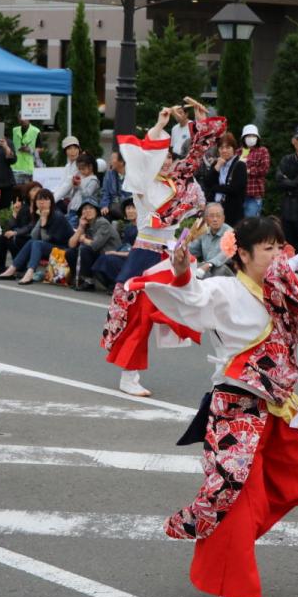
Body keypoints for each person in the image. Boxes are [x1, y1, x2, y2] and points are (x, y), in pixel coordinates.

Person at [139, 216, 298, 597]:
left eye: (281, 248)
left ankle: (221, 548)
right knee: (238, 496)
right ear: (242, 254)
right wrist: (181, 269)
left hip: (278, 410)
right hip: (235, 408)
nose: (277, 256)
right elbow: (191, 299)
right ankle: (231, 583)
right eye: (267, 249)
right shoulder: (224, 290)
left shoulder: (284, 293)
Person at [101, 100, 220, 397]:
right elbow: (142, 154)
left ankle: (225, 367)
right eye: (160, 156)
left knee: (199, 307)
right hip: (145, 256)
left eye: (168, 155)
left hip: (170, 256)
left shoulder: (176, 184)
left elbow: (193, 157)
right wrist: (158, 126)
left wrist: (200, 125)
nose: (165, 160)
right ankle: (129, 375)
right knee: (139, 317)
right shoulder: (141, 184)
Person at [6, 188, 73, 285]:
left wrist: (43, 221)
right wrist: (41, 219)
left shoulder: (57, 216)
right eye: (39, 200)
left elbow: (46, 239)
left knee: (37, 244)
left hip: (64, 250)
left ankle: (30, 272)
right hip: (52, 247)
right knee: (31, 242)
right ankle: (12, 269)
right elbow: (34, 236)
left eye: (45, 199)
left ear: (51, 202)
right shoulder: (43, 214)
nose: (42, 202)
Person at [65, 197, 122, 291]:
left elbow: (95, 245)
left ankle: (89, 281)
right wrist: (80, 228)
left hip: (109, 256)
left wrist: (83, 239)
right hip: (96, 254)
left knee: (85, 249)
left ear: (96, 211)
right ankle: (79, 278)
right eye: (85, 209)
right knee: (70, 252)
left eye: (91, 208)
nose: (88, 211)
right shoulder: (85, 224)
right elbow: (71, 244)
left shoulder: (102, 223)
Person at [201, 131, 247, 225]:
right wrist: (218, 166)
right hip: (214, 210)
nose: (224, 150)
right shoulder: (217, 163)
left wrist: (215, 187)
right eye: (221, 148)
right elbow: (206, 183)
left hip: (232, 212)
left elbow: (235, 189)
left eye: (228, 147)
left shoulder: (240, 165)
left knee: (229, 238)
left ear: (234, 148)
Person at [189, 203, 234, 278]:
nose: (215, 219)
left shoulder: (230, 232)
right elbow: (192, 250)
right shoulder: (204, 231)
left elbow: (225, 255)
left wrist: (208, 264)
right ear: (206, 219)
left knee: (220, 269)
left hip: (224, 271)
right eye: (211, 216)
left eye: (218, 216)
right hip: (206, 269)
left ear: (223, 218)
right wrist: (182, 249)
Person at [240, 124, 270, 219]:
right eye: (248, 136)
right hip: (239, 194)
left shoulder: (262, 151)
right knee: (239, 223)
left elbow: (264, 169)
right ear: (244, 138)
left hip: (254, 194)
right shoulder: (239, 152)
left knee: (251, 222)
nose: (251, 138)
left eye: (253, 136)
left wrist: (248, 171)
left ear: (257, 138)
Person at [63, 152, 100, 226]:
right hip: (72, 209)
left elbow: (87, 195)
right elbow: (73, 195)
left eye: (83, 169)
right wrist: (74, 186)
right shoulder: (81, 178)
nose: (81, 171)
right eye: (79, 169)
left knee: (72, 229)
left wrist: (79, 185)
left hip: (80, 211)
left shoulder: (93, 180)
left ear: (90, 166)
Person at [99, 150, 131, 219]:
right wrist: (104, 205)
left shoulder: (132, 175)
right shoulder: (109, 174)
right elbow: (105, 192)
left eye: (113, 159)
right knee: (104, 214)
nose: (110, 162)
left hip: (129, 206)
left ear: (121, 162)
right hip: (114, 206)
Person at [52, 135, 81, 208]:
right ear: (65, 151)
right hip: (68, 200)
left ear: (79, 150)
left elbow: (67, 185)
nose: (73, 151)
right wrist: (51, 195)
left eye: (75, 148)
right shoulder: (67, 166)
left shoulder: (79, 165)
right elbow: (61, 184)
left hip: (77, 201)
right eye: (69, 149)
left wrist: (52, 201)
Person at [11, 116, 40, 184]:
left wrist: (30, 150)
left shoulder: (36, 131)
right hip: (16, 166)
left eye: (24, 117)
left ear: (29, 118)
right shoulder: (14, 130)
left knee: (27, 190)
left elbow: (40, 148)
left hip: (29, 167)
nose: (22, 119)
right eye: (20, 117)